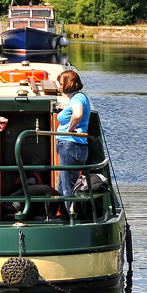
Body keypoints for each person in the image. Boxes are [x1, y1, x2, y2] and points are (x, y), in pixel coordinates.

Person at [54, 69, 91, 201]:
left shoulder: (77, 99)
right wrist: (66, 107)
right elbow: (74, 109)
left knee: (67, 188)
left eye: (60, 83)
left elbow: (78, 114)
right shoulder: (78, 98)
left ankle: (72, 218)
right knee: (62, 186)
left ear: (68, 84)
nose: (58, 86)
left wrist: (70, 128)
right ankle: (63, 216)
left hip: (70, 146)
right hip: (73, 147)